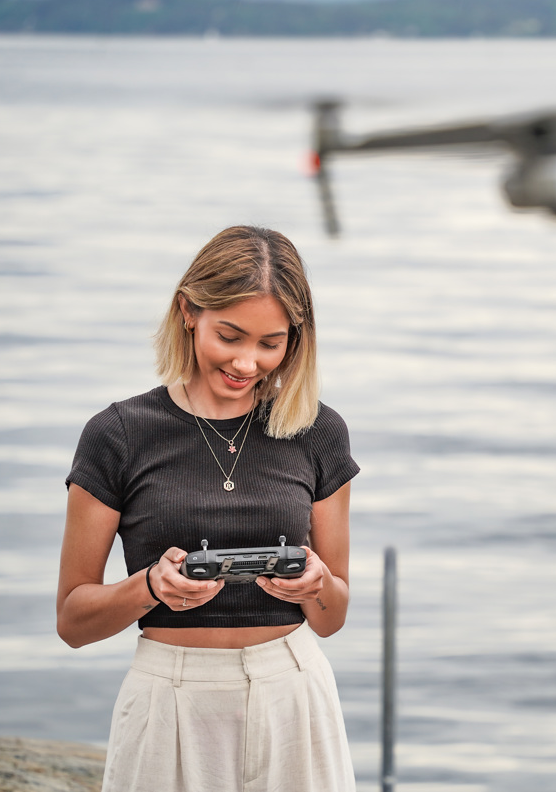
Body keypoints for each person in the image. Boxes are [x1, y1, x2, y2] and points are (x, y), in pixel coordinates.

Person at [57, 226, 359, 792]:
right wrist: (151, 586)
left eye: (271, 343)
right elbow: (73, 621)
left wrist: (314, 583)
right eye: (231, 335)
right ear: (188, 311)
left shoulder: (318, 432)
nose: (248, 362)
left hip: (293, 693)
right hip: (168, 701)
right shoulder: (117, 435)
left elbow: (332, 616)